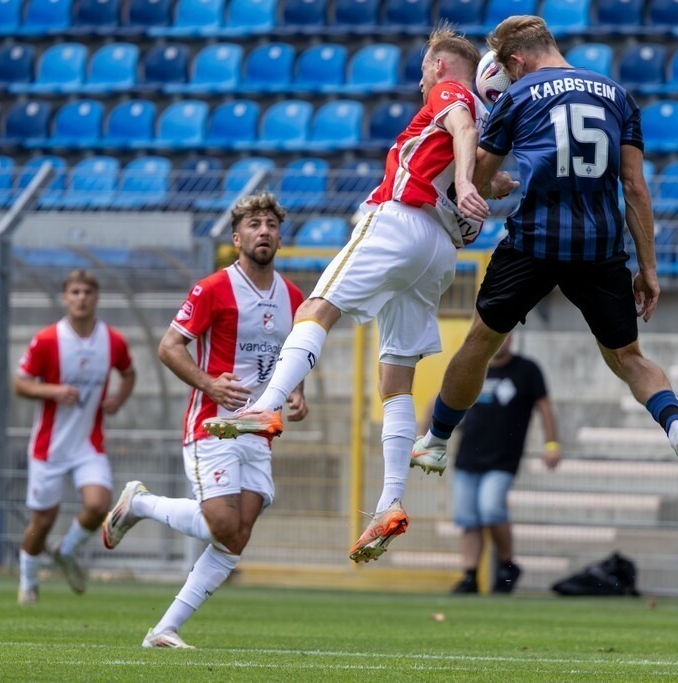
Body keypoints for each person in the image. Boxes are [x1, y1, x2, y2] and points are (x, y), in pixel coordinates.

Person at [200, 24, 518, 563]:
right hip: (440, 251)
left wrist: (467, 184)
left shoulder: (454, 95)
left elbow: (460, 125)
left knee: (316, 306)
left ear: (440, 66)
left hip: (400, 220)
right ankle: (391, 502)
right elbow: (478, 162)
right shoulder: (491, 125)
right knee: (396, 375)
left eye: (423, 70)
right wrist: (488, 184)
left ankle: (267, 407)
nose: (422, 82)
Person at [409, 15, 678, 503]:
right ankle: (677, 427)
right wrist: (649, 268)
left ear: (515, 60)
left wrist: (495, 183)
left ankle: (437, 440)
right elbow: (635, 187)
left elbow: (482, 178)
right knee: (629, 357)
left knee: (481, 342)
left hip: (534, 240)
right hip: (599, 246)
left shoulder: (518, 96)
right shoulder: (618, 96)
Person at [101, 192, 307, 649]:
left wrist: (297, 391)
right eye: (254, 224)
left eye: (271, 223)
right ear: (237, 238)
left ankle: (164, 630)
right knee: (220, 523)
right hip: (212, 424)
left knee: (237, 535)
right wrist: (210, 385)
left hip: (259, 430)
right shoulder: (213, 287)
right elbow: (169, 347)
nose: (264, 231)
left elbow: (291, 356)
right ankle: (140, 504)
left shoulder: (293, 296)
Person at [14, 269, 136, 606]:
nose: (81, 298)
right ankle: (28, 582)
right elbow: (20, 383)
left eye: (87, 292)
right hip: (49, 447)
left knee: (99, 504)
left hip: (88, 444)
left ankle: (66, 552)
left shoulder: (112, 341)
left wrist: (119, 399)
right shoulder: (48, 340)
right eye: (75, 292)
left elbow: (128, 373)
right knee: (43, 520)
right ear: (65, 298)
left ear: (96, 298)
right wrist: (53, 390)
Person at [447, 335, 559, 595]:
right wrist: (425, 435)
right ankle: (470, 575)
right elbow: (441, 397)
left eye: (506, 335)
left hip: (503, 459)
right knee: (468, 519)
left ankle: (507, 565)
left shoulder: (527, 370)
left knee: (491, 509)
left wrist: (551, 443)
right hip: (467, 457)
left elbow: (544, 407)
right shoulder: (472, 365)